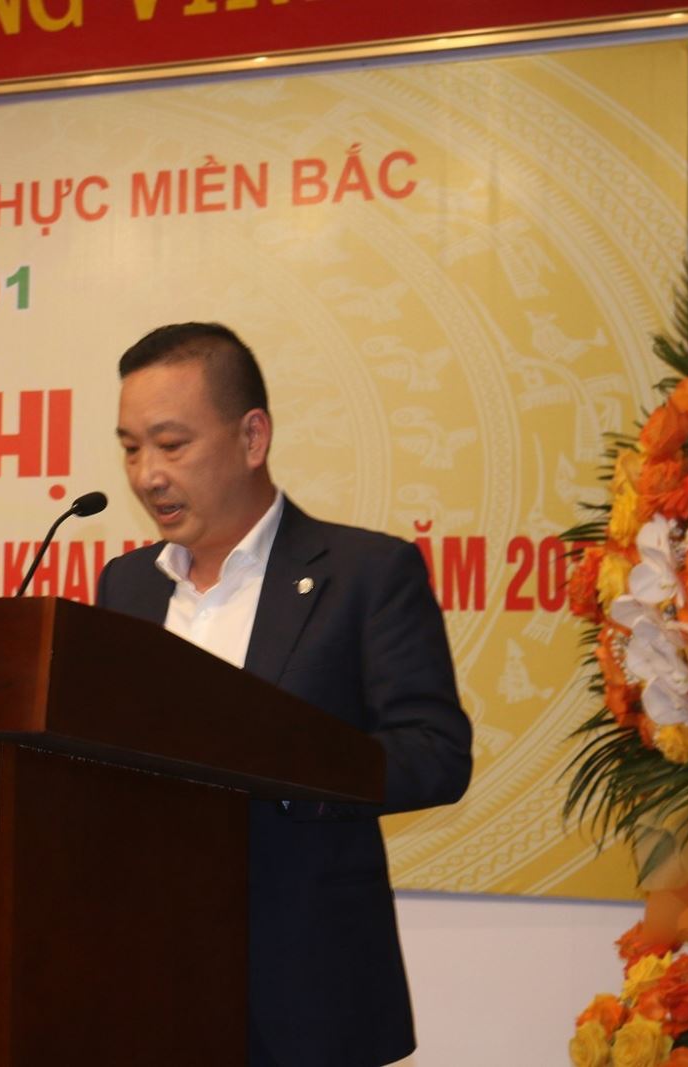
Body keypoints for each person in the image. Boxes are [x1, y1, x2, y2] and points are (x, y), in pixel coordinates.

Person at [95, 322, 473, 1067]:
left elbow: (435, 754)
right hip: (148, 981)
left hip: (304, 989)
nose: (147, 475)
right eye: (131, 448)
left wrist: (271, 756)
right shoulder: (126, 585)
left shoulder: (366, 573)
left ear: (252, 437)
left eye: (171, 445)